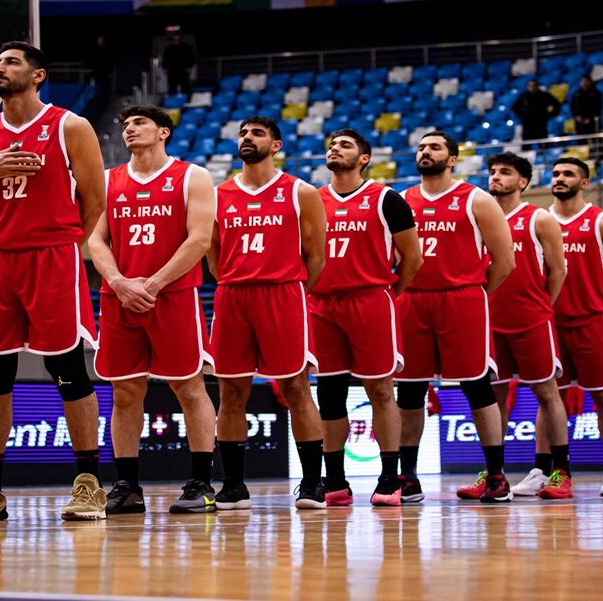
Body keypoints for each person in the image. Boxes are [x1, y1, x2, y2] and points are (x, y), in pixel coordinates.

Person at [0, 41, 107, 524]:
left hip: (50, 258)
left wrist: (63, 243)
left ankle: (89, 484)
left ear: (37, 75)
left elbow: (95, 199)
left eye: (10, 62)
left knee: (70, 372)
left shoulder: (69, 126)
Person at [88, 105, 219, 515]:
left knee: (190, 388)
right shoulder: (108, 180)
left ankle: (201, 483)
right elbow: (95, 241)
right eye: (125, 124)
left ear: (163, 132)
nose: (129, 129)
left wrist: (153, 283)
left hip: (173, 296)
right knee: (124, 392)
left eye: (139, 123)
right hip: (120, 298)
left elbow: (199, 240)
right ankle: (126, 485)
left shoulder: (192, 176)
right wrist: (120, 282)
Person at [209, 115, 327, 509]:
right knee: (231, 391)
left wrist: (289, 287)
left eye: (257, 133)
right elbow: (213, 257)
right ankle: (234, 485)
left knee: (295, 387)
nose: (247, 138)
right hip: (233, 295)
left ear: (275, 145)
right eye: (242, 132)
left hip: (282, 294)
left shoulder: (300, 192)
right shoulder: (218, 193)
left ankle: (313, 483)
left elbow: (315, 257)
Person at [396, 132, 515, 503]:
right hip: (412, 301)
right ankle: (408, 477)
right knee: (410, 391)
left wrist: (473, 292)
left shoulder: (476, 198)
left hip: (461, 300)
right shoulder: (401, 200)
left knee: (476, 386)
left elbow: (505, 260)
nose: (425, 151)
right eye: (421, 146)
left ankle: (496, 476)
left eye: (433, 147)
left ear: (452, 159)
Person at [309, 129, 422, 507]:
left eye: (343, 145)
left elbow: (413, 258)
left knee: (380, 391)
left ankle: (390, 477)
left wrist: (388, 293)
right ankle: (336, 480)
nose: (334, 148)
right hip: (322, 305)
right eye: (331, 144)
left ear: (363, 159)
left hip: (370, 300)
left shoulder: (386, 198)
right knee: (329, 395)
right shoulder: (312, 199)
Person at [457, 153, 571, 501]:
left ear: (523, 181)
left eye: (505, 172)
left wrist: (540, 308)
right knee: (495, 399)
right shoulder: (477, 217)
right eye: (492, 172)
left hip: (530, 321)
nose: (495, 177)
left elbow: (559, 271)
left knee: (547, 393)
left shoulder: (538, 218)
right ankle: (495, 474)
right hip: (489, 321)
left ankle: (561, 472)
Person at [548, 158, 603, 496]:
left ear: (584, 183)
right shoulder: (539, 220)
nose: (560, 178)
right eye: (555, 173)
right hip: (549, 322)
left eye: (568, 174)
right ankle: (550, 470)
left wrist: (601, 306)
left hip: (590, 322)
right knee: (548, 396)